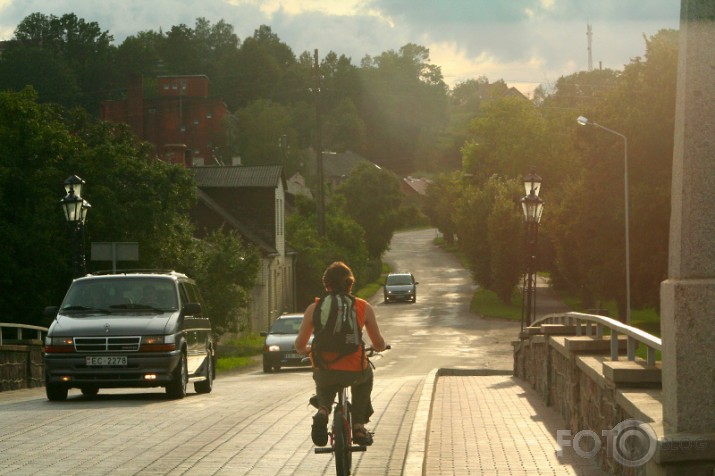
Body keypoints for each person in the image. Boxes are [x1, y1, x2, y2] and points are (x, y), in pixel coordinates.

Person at [295, 261, 387, 447]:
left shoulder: (315, 308)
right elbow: (377, 343)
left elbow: (299, 345)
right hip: (355, 369)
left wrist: (306, 350)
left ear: (326, 284)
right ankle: (359, 426)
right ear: (350, 284)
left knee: (324, 383)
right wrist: (382, 347)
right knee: (365, 378)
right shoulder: (363, 307)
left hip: (325, 368)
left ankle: (322, 411)